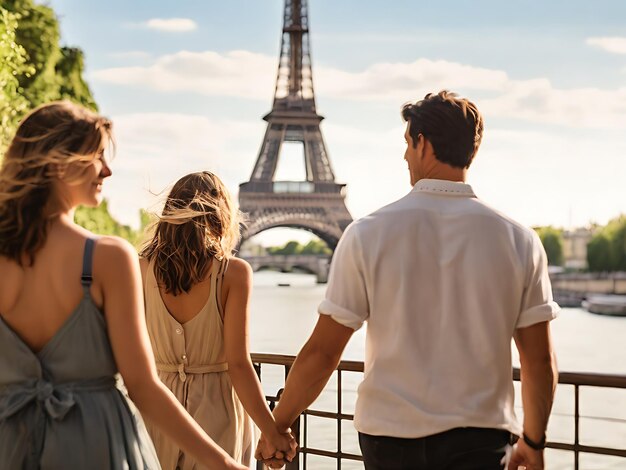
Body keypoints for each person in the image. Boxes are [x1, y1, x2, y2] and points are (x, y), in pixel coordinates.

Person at [257, 90, 559, 470]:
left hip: (389, 438)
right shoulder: (519, 240)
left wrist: (279, 424)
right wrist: (533, 442)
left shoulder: (368, 233)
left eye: (407, 143)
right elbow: (538, 361)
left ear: (423, 144)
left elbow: (322, 353)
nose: (404, 156)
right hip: (480, 438)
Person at [0, 101, 248, 470]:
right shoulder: (106, 258)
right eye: (97, 156)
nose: (107, 170)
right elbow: (143, 388)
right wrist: (224, 464)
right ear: (59, 163)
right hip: (95, 445)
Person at [139, 171, 296, 469]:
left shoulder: (141, 270)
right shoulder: (233, 273)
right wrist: (271, 431)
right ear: (221, 215)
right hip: (218, 414)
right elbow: (239, 364)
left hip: (157, 411)